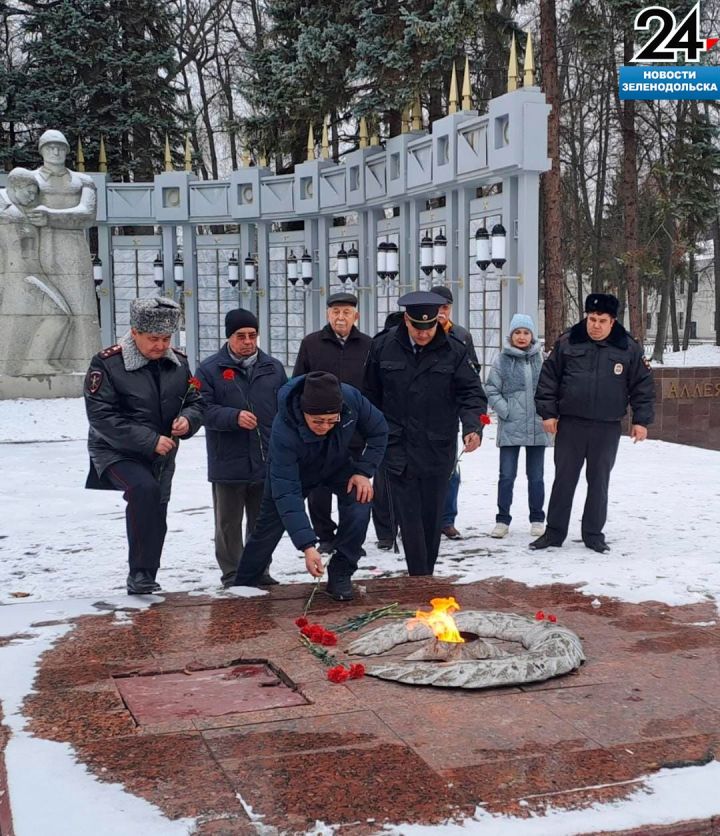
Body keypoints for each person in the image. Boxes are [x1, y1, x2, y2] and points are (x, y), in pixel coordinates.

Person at [84, 297, 204, 594]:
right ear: (134, 332)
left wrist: (188, 420)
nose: (161, 346)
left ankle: (148, 573)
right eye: (153, 339)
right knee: (144, 490)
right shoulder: (107, 363)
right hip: (116, 450)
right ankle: (138, 573)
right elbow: (101, 416)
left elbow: (196, 401)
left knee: (156, 508)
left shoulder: (179, 363)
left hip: (162, 453)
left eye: (166, 338)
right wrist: (150, 440)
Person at [232, 371, 387, 601]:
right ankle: (244, 583)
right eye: (317, 421)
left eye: (332, 421)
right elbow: (288, 495)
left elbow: (379, 430)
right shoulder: (283, 432)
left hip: (337, 465)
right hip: (295, 472)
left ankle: (341, 571)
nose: (325, 426)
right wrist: (308, 546)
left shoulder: (351, 399)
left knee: (360, 501)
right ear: (303, 411)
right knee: (267, 527)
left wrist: (364, 472)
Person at [363, 291, 488, 576]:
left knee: (432, 517)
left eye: (429, 328)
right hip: (398, 445)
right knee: (409, 515)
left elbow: (471, 394)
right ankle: (419, 576)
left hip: (437, 447)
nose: (423, 334)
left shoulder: (454, 350)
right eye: (417, 328)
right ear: (406, 320)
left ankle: (424, 574)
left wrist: (472, 427)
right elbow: (369, 395)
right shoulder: (383, 347)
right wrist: (373, 434)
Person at [531, 293, 655, 553]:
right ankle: (554, 533)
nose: (595, 325)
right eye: (592, 318)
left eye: (601, 320)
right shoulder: (568, 342)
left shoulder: (628, 348)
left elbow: (642, 386)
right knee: (564, 479)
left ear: (612, 322)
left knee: (599, 481)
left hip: (606, 427)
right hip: (571, 425)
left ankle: (593, 534)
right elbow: (549, 380)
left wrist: (641, 421)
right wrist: (548, 414)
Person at [195, 308, 287, 587]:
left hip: (265, 457)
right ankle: (233, 573)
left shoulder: (273, 368)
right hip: (228, 460)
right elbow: (199, 408)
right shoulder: (209, 369)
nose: (248, 341)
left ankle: (259, 569)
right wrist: (232, 417)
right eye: (241, 336)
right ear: (229, 337)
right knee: (228, 524)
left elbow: (286, 408)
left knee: (262, 521)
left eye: (252, 335)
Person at [292, 291, 372, 553]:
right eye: (335, 312)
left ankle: (350, 538)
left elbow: (375, 388)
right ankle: (324, 534)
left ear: (356, 315)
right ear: (328, 314)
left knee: (352, 485)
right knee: (318, 488)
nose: (340, 317)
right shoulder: (311, 343)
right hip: (318, 431)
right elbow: (297, 384)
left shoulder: (369, 346)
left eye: (346, 312)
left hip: (354, 431)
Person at [485, 314, 551, 539]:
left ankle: (537, 518)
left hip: (536, 426)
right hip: (511, 425)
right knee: (506, 475)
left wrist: (548, 413)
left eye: (526, 333)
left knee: (536, 476)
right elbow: (491, 389)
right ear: (511, 335)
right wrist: (506, 410)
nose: (521, 337)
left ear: (532, 335)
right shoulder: (502, 360)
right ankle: (502, 520)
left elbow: (552, 388)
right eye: (517, 333)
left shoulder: (542, 359)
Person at [431, 284, 482, 541]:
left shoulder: (461, 335)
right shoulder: (418, 331)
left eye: (445, 308)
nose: (441, 313)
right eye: (436, 307)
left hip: (449, 413)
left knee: (451, 470)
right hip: (420, 413)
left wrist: (474, 424)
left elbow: (473, 373)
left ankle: (446, 519)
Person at [369, 310, 404, 550]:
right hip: (386, 427)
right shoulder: (378, 349)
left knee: (388, 484)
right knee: (385, 483)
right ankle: (387, 531)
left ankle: (390, 531)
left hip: (399, 428)